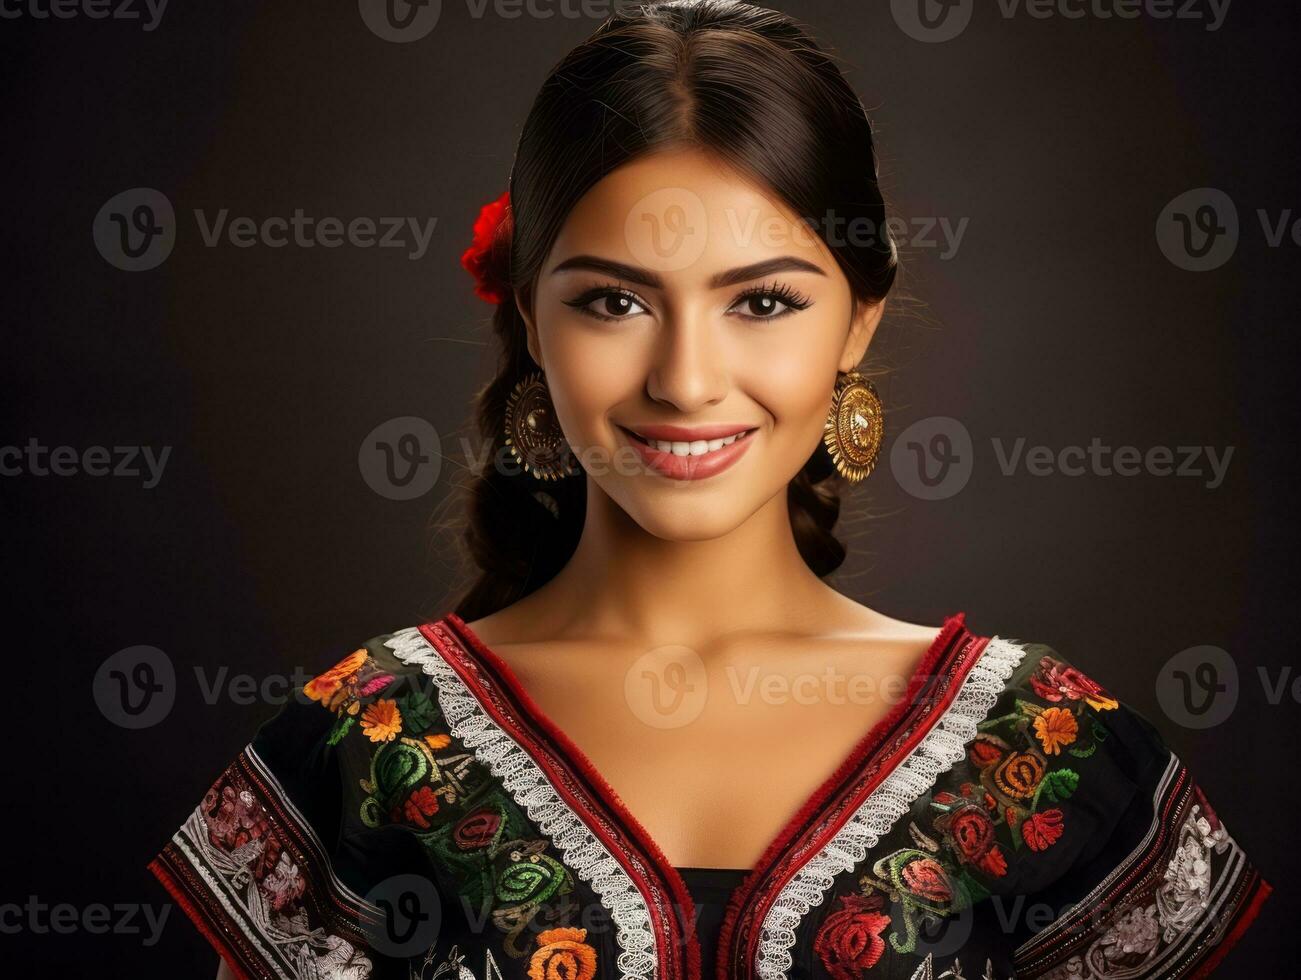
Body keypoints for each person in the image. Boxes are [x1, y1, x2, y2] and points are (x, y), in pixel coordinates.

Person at [148, 2, 1270, 977]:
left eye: (764, 302)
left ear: (858, 321)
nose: (684, 380)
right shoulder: (361, 741)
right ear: (529, 317)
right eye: (613, 303)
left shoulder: (1047, 749)